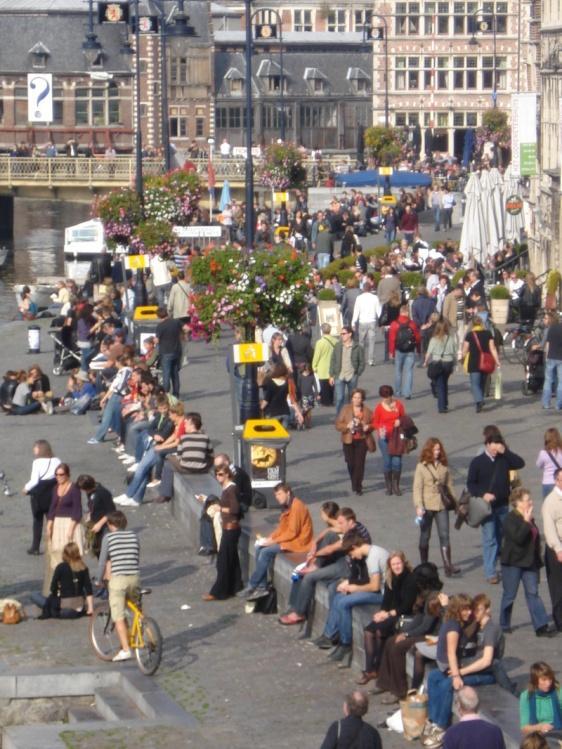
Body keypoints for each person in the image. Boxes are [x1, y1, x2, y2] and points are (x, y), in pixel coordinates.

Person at [423, 594, 502, 749]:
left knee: (448, 684)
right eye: (466, 609)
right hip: (466, 667)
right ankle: (432, 720)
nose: (470, 613)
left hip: (486, 674)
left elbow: (483, 661)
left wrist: (458, 675)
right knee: (433, 677)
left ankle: (441, 726)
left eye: (472, 610)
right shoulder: (460, 624)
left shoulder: (489, 629)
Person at [281, 507, 371, 628]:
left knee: (308, 577)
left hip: (349, 567)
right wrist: (315, 543)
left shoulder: (354, 534)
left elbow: (331, 549)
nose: (339, 526)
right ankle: (316, 567)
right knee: (330, 535)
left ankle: (299, 613)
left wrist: (314, 555)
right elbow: (330, 529)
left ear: (350, 522)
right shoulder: (354, 525)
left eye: (341, 523)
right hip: (346, 558)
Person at [320, 534, 388, 668]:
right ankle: (339, 637)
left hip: (382, 595)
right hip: (377, 591)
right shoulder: (372, 552)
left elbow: (375, 586)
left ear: (355, 546)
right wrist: (350, 585)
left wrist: (355, 588)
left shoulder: (373, 558)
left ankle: (346, 644)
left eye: (351, 553)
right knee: (339, 597)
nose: (352, 556)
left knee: (344, 603)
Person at [467, 431, 525, 584]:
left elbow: (520, 463)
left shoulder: (504, 459)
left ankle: (504, 564)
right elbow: (471, 484)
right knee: (490, 538)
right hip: (487, 507)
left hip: (503, 505)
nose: (495, 449)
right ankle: (490, 572)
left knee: (503, 537)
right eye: (493, 446)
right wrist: (483, 494)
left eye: (498, 446)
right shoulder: (477, 462)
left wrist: (505, 451)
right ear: (487, 444)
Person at [239, 483, 313, 599]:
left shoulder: (297, 506)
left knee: (265, 552)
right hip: (290, 539)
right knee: (259, 547)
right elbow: (282, 528)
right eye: (276, 495)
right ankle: (262, 587)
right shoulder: (287, 506)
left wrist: (272, 542)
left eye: (279, 494)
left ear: (288, 493)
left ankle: (252, 585)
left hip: (298, 542)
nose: (277, 497)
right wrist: (270, 538)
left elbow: (292, 533)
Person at [499, 487, 555, 637]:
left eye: (530, 499)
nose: (531, 502)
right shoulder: (510, 518)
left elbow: (534, 540)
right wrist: (525, 522)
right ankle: (504, 623)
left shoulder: (529, 517)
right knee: (509, 595)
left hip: (529, 563)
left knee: (533, 593)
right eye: (527, 500)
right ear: (517, 502)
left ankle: (541, 625)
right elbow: (518, 539)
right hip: (513, 563)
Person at [375, 587, 445, 702]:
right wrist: (404, 632)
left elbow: (425, 627)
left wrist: (407, 635)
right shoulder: (427, 600)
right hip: (425, 634)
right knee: (390, 641)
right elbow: (418, 621)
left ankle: (399, 691)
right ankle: (385, 682)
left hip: (431, 637)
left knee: (398, 648)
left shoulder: (437, 604)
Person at [360, 551, 418, 683]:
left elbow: (407, 605)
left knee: (381, 632)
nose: (396, 567)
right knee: (369, 631)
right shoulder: (390, 578)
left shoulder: (410, 579)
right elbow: (386, 600)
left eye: (398, 563)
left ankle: (377, 668)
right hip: (390, 613)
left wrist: (388, 613)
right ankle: (370, 669)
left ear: (403, 563)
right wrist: (381, 613)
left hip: (402, 615)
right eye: (393, 564)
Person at [96, 511, 140, 662]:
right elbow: (136, 555)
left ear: (110, 524)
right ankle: (142, 629)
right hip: (134, 577)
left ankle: (126, 650)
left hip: (118, 580)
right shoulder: (134, 535)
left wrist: (98, 579)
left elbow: (102, 561)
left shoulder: (108, 537)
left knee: (118, 616)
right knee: (136, 609)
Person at [414, 438, 459, 577]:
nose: (437, 452)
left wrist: (456, 503)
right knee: (425, 536)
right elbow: (417, 488)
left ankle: (447, 565)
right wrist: (419, 506)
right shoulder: (421, 466)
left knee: (444, 535)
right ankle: (424, 565)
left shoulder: (444, 465)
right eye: (434, 450)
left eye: (439, 449)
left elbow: (449, 485)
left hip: (441, 505)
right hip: (426, 506)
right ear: (429, 450)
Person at [150, 411, 214, 505]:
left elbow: (180, 456)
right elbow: (211, 454)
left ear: (192, 424)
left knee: (168, 463)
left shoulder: (183, 438)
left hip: (185, 468)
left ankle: (165, 494)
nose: (184, 426)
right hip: (202, 468)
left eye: (186, 424)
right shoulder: (205, 437)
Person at [203, 463, 243, 601]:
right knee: (232, 559)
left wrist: (220, 509)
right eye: (216, 474)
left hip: (231, 527)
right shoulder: (227, 489)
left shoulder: (231, 489)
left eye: (220, 474)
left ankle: (219, 591)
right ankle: (236, 586)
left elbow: (235, 509)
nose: (218, 477)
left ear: (227, 475)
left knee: (223, 561)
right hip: (229, 526)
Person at [44, 464, 84, 596]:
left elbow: (77, 510)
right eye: (56, 475)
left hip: (70, 523)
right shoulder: (55, 488)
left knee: (71, 555)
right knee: (57, 553)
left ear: (67, 475)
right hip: (57, 524)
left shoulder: (74, 489)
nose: (58, 477)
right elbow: (52, 507)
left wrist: (71, 529)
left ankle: (76, 584)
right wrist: (49, 524)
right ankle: (60, 585)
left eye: (61, 474)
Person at [32, 542, 94, 620]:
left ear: (65, 554)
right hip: (79, 608)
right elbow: (89, 589)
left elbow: (52, 588)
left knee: (35, 595)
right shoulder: (83, 567)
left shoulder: (61, 567)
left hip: (64, 609)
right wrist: (90, 609)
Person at [23, 440, 61, 555]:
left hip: (39, 496)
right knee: (51, 520)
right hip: (52, 495)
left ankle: (35, 547)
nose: (33, 450)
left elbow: (34, 480)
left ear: (40, 449)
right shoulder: (57, 460)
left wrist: (25, 488)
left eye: (35, 448)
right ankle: (54, 545)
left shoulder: (37, 463)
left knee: (37, 521)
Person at [335, 388, 375, 496]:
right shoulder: (345, 409)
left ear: (362, 399)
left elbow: (374, 423)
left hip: (362, 440)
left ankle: (358, 486)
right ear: (351, 399)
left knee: (360, 464)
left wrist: (368, 427)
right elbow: (338, 424)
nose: (357, 400)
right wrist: (347, 426)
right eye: (355, 397)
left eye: (359, 398)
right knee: (350, 462)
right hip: (348, 440)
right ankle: (354, 480)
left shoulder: (367, 411)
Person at [88, 355, 132, 444]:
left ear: (119, 362)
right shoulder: (122, 371)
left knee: (107, 417)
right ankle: (120, 437)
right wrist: (105, 398)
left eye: (116, 362)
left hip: (118, 395)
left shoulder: (126, 371)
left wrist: (106, 397)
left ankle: (99, 437)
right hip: (115, 395)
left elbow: (117, 386)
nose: (115, 364)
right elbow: (113, 387)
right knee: (113, 417)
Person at [461, 315, 501, 413]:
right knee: (482, 383)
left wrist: (462, 359)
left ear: (472, 324)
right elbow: (493, 348)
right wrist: (497, 361)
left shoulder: (470, 335)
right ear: (482, 323)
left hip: (474, 362)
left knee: (475, 384)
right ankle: (480, 400)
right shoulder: (488, 334)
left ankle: (479, 401)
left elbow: (465, 350)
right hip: (486, 362)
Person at [371, 385, 406, 496]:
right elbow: (374, 422)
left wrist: (400, 421)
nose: (386, 399)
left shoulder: (399, 405)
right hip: (384, 438)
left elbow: (404, 418)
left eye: (388, 397)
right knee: (387, 461)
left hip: (396, 437)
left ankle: (396, 485)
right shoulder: (379, 408)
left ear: (392, 395)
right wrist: (379, 429)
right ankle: (389, 486)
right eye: (384, 397)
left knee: (397, 462)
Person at [541, 468, 562, 632]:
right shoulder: (550, 501)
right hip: (557, 549)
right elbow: (549, 529)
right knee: (557, 587)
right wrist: (558, 549)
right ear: (557, 481)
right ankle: (559, 620)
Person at [76, 475, 116, 558]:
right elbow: (93, 505)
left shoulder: (103, 493)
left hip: (105, 525)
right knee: (97, 550)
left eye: (84, 489)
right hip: (95, 523)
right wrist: (90, 514)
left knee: (105, 553)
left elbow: (111, 510)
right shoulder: (90, 492)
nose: (84, 491)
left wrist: (100, 524)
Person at [329, 326, 365, 415]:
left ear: (350, 334)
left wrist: (357, 373)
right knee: (339, 398)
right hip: (339, 375)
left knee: (352, 398)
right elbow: (332, 360)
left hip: (352, 376)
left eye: (344, 333)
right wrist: (331, 375)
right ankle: (339, 416)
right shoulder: (338, 346)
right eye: (341, 334)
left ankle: (350, 416)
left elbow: (362, 362)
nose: (342, 335)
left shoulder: (357, 347)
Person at [519, 662, 562, 736]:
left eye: (550, 679)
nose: (548, 683)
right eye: (544, 680)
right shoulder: (526, 696)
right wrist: (539, 727)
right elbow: (524, 729)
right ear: (535, 680)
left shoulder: (558, 692)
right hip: (537, 736)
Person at [424, 320, 457, 414]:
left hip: (437, 363)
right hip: (448, 363)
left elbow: (429, 352)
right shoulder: (450, 338)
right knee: (444, 383)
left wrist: (425, 362)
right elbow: (454, 351)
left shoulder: (434, 339)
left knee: (440, 385)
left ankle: (442, 406)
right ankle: (445, 403)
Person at [389, 304, 420, 400]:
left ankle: (398, 391)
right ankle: (407, 393)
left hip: (399, 350)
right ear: (407, 313)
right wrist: (418, 350)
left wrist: (391, 352)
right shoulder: (412, 324)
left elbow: (392, 339)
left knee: (398, 371)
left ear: (400, 312)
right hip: (410, 350)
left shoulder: (394, 324)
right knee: (409, 371)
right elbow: (417, 338)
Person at [155, 307, 184, 398]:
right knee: (175, 373)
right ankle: (176, 394)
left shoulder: (160, 326)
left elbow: (156, 340)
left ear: (158, 316)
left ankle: (166, 394)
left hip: (165, 352)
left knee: (166, 374)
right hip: (176, 351)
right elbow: (187, 328)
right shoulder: (176, 322)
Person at [351, 282, 382, 367]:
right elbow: (379, 310)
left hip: (362, 321)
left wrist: (353, 322)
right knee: (372, 341)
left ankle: (362, 359)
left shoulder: (359, 298)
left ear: (363, 289)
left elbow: (356, 311)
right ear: (371, 288)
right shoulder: (375, 297)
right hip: (372, 321)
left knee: (361, 342)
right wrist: (378, 319)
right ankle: (370, 360)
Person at [312, 323, 337, 406]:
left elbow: (317, 356)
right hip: (333, 366)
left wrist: (314, 365)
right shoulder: (336, 341)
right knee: (331, 385)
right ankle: (331, 400)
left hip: (322, 367)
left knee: (324, 385)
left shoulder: (320, 342)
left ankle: (326, 401)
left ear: (322, 331)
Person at [541, 313, 562, 412]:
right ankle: (559, 404)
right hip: (560, 358)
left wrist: (546, 357)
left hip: (550, 357)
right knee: (561, 382)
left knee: (548, 381)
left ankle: (546, 403)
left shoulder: (551, 329)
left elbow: (547, 344)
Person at [442, 285, 466, 362]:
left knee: (461, 337)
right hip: (451, 321)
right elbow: (445, 311)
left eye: (462, 293)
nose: (461, 294)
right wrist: (445, 321)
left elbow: (463, 307)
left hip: (461, 319)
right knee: (453, 338)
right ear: (456, 290)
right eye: (460, 293)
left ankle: (459, 353)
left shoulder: (462, 297)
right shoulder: (449, 297)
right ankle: (453, 353)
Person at [536, 429, 562, 498]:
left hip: (547, 482)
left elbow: (538, 465)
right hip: (560, 481)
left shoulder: (543, 453)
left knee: (548, 505)